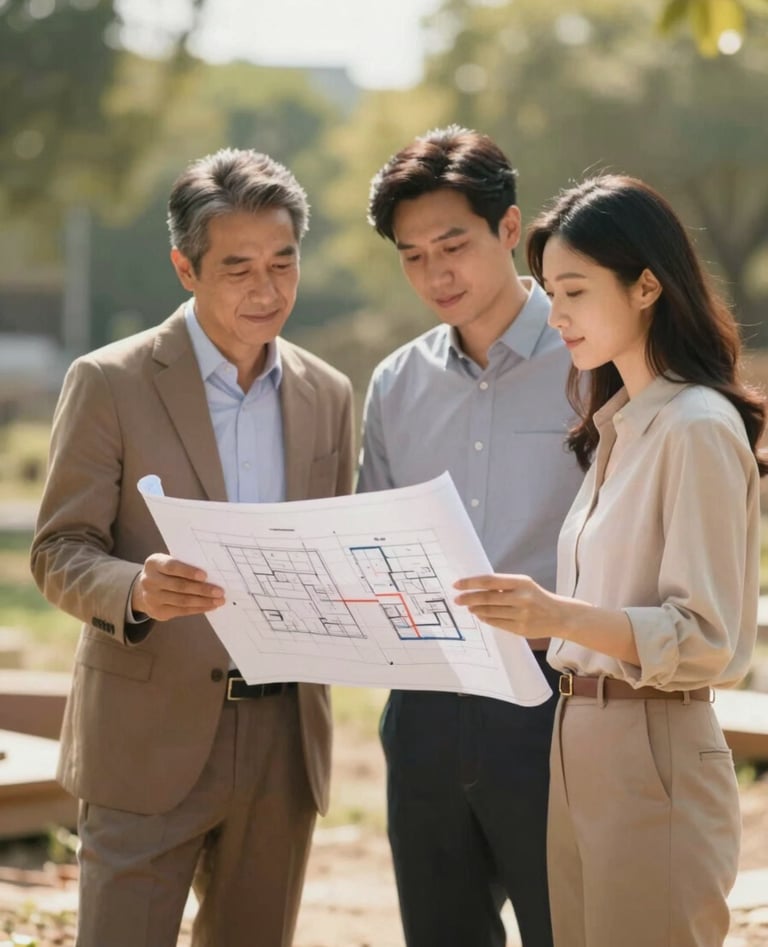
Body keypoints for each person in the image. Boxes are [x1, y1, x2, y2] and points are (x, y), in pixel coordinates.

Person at [30, 147, 354, 947]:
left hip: (283, 742)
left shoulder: (329, 393)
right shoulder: (110, 380)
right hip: (145, 737)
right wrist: (136, 588)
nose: (267, 288)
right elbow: (58, 548)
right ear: (186, 267)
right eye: (237, 267)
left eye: (283, 262)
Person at [455, 173, 767, 947]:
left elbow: (708, 640)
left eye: (574, 291)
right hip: (580, 738)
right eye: (548, 293)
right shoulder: (616, 427)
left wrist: (555, 614)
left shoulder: (696, 427)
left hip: (655, 745)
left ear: (647, 285)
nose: (554, 316)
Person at [357, 126, 584, 947]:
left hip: (558, 700)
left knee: (570, 926)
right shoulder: (396, 382)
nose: (435, 273)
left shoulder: (593, 360)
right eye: (412, 256)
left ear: (511, 229)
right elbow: (372, 534)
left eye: (453, 244)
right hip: (425, 705)